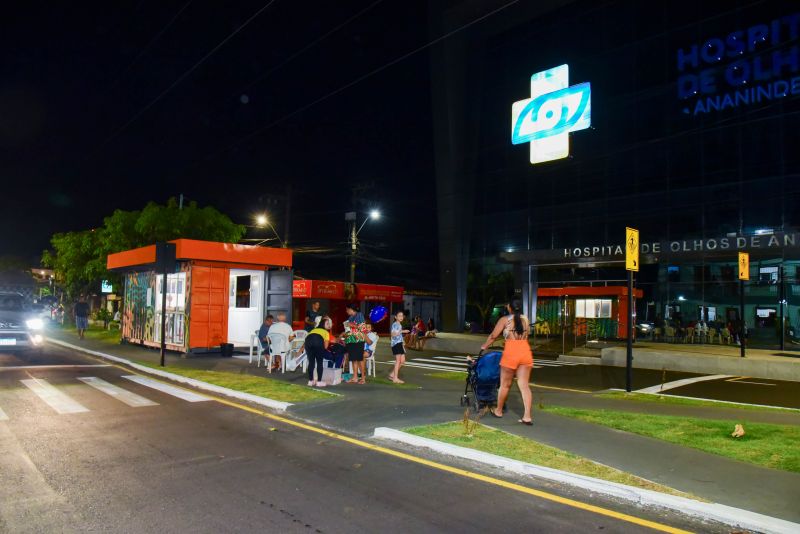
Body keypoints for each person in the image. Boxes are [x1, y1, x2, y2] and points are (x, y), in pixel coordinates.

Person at [481, 299, 533, 425]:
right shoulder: (525, 319)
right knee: (524, 386)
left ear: (509, 307)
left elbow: (494, 336)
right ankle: (527, 416)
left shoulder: (505, 320)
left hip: (511, 352)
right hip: (525, 352)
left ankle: (498, 411)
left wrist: (485, 346)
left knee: (505, 385)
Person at [343, 303, 367, 383]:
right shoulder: (350, 318)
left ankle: (363, 378)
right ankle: (355, 377)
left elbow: (363, 328)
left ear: (351, 309)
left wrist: (352, 325)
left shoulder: (359, 315)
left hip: (359, 340)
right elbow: (348, 329)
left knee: (360, 359)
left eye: (347, 310)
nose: (346, 311)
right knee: (353, 359)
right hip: (351, 340)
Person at [305, 316, 332, 387]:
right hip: (318, 341)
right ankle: (319, 382)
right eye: (327, 324)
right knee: (319, 362)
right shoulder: (325, 332)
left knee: (311, 362)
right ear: (323, 325)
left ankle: (310, 381)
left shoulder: (313, 330)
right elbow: (326, 346)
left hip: (308, 341)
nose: (329, 325)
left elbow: (306, 340)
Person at [389, 311, 410, 384]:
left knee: (403, 361)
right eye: (399, 316)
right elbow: (393, 334)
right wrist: (402, 331)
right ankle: (395, 378)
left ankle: (392, 374)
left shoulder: (399, 324)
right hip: (396, 344)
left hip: (399, 344)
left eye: (402, 316)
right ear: (396, 317)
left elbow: (398, 334)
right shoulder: (395, 324)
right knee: (398, 361)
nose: (401, 317)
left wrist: (402, 341)